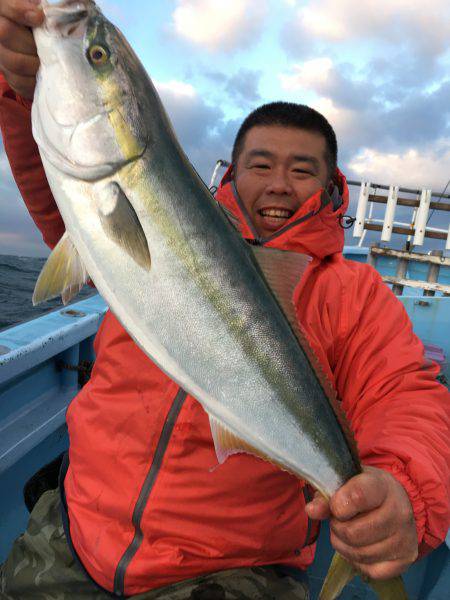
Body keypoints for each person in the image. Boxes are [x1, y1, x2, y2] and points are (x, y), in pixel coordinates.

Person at [0, 2, 449, 599]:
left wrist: (402, 488)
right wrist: (23, 87)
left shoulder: (353, 291)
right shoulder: (149, 215)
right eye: (260, 164)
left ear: (332, 185)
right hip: (76, 530)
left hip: (229, 571)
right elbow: (68, 184)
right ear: (232, 174)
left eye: (303, 170)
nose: (279, 184)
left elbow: (403, 392)